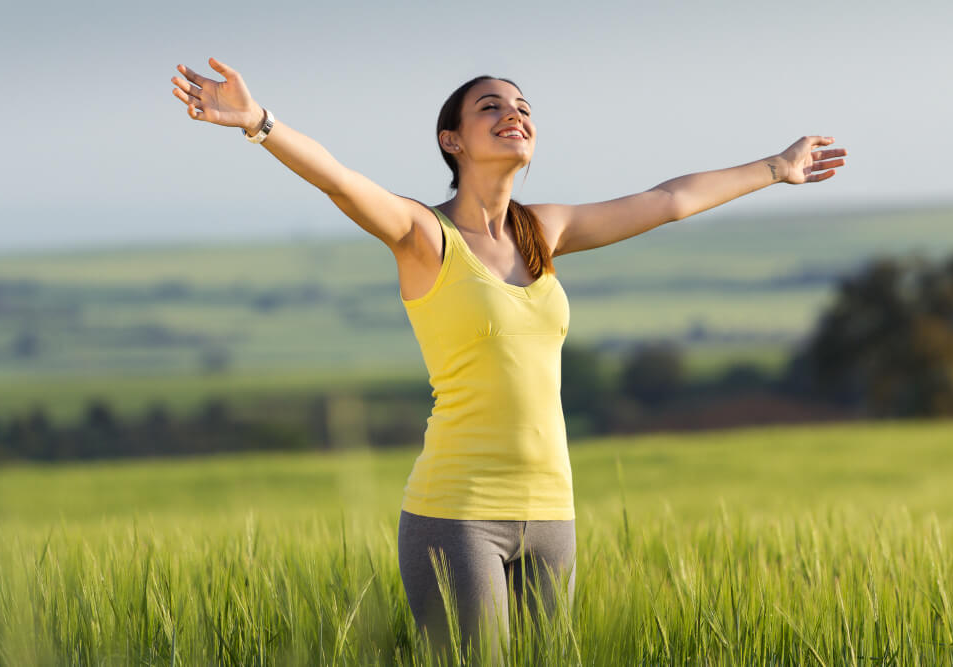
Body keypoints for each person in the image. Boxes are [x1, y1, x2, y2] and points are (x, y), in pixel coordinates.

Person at [171, 58, 847, 663]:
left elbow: (668, 202)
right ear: (453, 141)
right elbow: (341, 182)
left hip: (554, 512)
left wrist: (775, 168)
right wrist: (258, 122)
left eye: (523, 107)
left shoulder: (542, 229)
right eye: (490, 106)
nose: (513, 115)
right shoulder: (422, 235)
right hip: (458, 514)